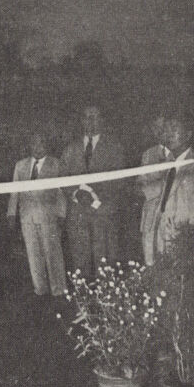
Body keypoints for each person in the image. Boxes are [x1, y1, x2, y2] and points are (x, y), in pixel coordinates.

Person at [60, 104, 124, 278]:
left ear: (102, 120)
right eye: (86, 117)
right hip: (77, 213)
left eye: (94, 117)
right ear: (81, 121)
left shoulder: (114, 147)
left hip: (103, 212)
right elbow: (62, 177)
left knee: (105, 259)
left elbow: (119, 179)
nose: (90, 121)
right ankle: (83, 299)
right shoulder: (70, 149)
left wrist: (94, 196)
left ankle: (106, 299)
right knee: (79, 260)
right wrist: (76, 193)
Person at [7, 132, 67, 300]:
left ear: (46, 145)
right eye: (34, 144)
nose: (38, 148)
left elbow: (62, 192)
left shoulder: (56, 164)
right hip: (27, 217)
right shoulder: (20, 165)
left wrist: (62, 214)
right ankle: (39, 289)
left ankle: (59, 290)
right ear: (30, 145)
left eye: (41, 144)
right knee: (33, 254)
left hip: (49, 216)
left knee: (52, 253)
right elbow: (14, 192)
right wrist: (11, 214)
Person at [155, 114, 194, 257]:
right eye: (166, 129)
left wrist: (189, 233)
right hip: (164, 232)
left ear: (188, 134)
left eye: (174, 129)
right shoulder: (166, 162)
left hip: (184, 236)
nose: (168, 134)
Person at [138, 113, 171, 266]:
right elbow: (140, 183)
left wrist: (150, 190)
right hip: (150, 216)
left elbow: (170, 183)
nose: (159, 132)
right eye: (155, 128)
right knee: (149, 259)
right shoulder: (148, 154)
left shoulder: (179, 154)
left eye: (162, 127)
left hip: (170, 217)